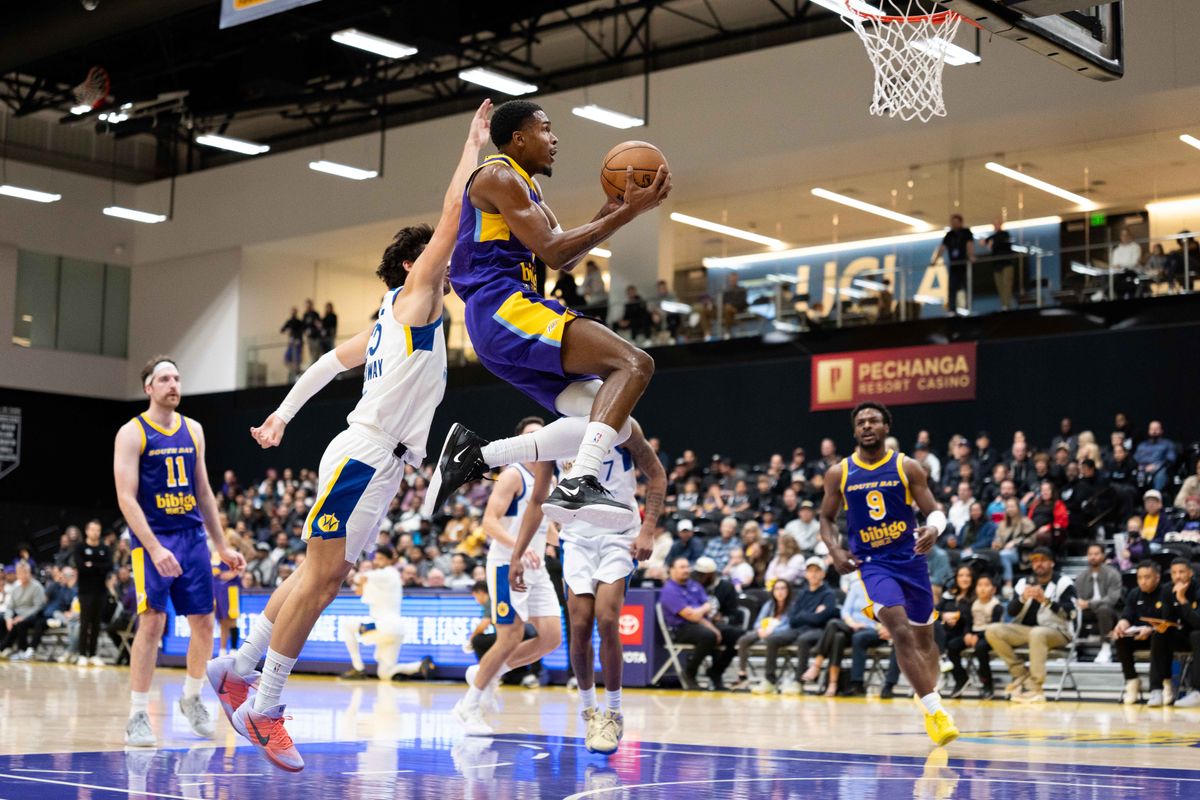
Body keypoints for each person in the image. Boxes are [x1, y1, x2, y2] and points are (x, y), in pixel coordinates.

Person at [205, 102, 492, 772]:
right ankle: (264, 706)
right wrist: (470, 145)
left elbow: (328, 363)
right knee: (324, 576)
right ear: (411, 267)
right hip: (365, 455)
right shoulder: (416, 299)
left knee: (317, 575)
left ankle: (236, 667)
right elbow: (453, 212)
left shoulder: (391, 319)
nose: (445, 263)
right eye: (433, 258)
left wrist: (282, 413)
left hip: (377, 465)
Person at [426, 98, 672, 529]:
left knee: (610, 418)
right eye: (545, 129)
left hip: (500, 324)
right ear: (518, 138)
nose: (554, 138)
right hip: (505, 310)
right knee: (635, 363)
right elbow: (555, 252)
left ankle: (477, 454)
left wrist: (612, 211)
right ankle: (581, 480)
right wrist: (630, 213)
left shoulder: (527, 188)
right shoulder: (498, 175)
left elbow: (566, 254)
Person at [113, 355, 244, 748]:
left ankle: (191, 699)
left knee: (204, 622)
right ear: (149, 388)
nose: (173, 384)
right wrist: (153, 548)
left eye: (177, 378)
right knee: (151, 623)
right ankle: (137, 714)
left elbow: (203, 492)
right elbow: (125, 496)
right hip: (153, 538)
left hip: (191, 538)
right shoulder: (132, 432)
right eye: (164, 379)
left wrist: (221, 545)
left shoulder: (195, 430)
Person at [819, 401, 959, 746]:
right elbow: (825, 518)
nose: (867, 426)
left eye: (874, 421)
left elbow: (934, 511)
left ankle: (926, 694)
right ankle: (936, 711)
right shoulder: (840, 472)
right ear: (855, 431)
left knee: (925, 640)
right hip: (873, 564)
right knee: (899, 629)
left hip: (911, 560)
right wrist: (834, 549)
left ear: (886, 428)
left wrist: (934, 529)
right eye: (861, 422)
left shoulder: (906, 467)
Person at [453, 416, 561, 736]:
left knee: (551, 637)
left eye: (542, 435)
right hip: (506, 563)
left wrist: (556, 541)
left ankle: (488, 672)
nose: (537, 439)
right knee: (510, 636)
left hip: (536, 566)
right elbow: (489, 522)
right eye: (530, 435)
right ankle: (469, 705)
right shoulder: (513, 475)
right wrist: (520, 545)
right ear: (520, 442)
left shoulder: (549, 480)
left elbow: (547, 524)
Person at [561, 419, 663, 753]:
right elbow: (538, 496)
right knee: (578, 626)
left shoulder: (628, 428)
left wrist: (648, 531)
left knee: (606, 619)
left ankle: (614, 712)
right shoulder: (562, 432)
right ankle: (589, 711)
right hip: (577, 539)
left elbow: (658, 475)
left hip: (619, 537)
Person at [984, 546, 1076, 704]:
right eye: (1035, 561)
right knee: (992, 630)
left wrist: (1046, 601)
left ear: (1052, 563)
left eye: (1043, 560)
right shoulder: (1023, 583)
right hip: (1028, 630)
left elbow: (1070, 614)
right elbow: (1011, 612)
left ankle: (1035, 688)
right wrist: (1021, 599)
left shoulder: (1063, 582)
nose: (1038, 564)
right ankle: (1020, 673)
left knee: (1038, 633)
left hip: (1058, 631)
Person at [340, 545, 434, 682]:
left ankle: (358, 668)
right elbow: (359, 589)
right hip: (394, 631)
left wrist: (356, 579)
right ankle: (420, 665)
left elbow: (359, 578)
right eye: (376, 558)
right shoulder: (378, 579)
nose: (377, 561)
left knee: (347, 625)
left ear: (390, 560)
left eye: (381, 558)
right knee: (385, 673)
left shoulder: (389, 573)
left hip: (385, 626)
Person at [659, 557, 739, 690]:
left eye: (687, 567)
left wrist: (702, 613)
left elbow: (708, 605)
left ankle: (716, 672)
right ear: (671, 570)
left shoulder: (694, 585)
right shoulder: (669, 590)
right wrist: (708, 620)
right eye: (682, 567)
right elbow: (692, 616)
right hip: (682, 629)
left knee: (736, 634)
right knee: (708, 635)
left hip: (704, 623)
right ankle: (690, 672)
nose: (686, 570)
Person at [1112, 560, 1175, 705]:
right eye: (1140, 578)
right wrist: (1121, 625)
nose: (1143, 581)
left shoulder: (1166, 592)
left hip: (1160, 635)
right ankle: (1132, 680)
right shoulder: (1134, 593)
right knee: (1120, 638)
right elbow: (1127, 616)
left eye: (1147, 577)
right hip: (1139, 635)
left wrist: (1152, 629)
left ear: (1157, 577)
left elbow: (1168, 620)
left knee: (1160, 637)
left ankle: (1165, 683)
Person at [731, 579, 793, 691]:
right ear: (773, 591)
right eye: (777, 589)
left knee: (771, 639)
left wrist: (773, 630)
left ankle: (769, 679)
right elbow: (758, 622)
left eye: (783, 588)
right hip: (764, 631)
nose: (780, 592)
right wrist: (760, 629)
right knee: (743, 640)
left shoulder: (792, 606)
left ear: (788, 591)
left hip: (780, 634)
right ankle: (742, 675)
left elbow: (790, 625)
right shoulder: (769, 605)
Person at [1074, 542, 1122, 663]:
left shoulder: (1113, 574)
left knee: (1103, 609)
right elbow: (1077, 599)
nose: (1093, 557)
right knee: (1070, 611)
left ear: (1103, 556)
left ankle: (1106, 648)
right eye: (1090, 554)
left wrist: (1089, 604)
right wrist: (1080, 603)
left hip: (1111, 611)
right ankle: (1071, 647)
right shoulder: (1081, 577)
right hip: (1088, 612)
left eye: (1096, 554)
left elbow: (1112, 599)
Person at [74, 519, 112, 666]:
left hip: (101, 591)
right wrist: (98, 567)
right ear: (87, 531)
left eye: (98, 530)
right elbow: (81, 567)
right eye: (93, 529)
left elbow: (109, 566)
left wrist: (92, 565)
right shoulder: (80, 547)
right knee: (85, 623)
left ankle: (93, 653)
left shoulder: (105, 548)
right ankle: (82, 654)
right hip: (85, 591)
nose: (95, 532)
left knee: (96, 623)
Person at [1167, 558, 1200, 707]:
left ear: (1190, 573)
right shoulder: (1167, 589)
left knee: (1196, 635)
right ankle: (1160, 688)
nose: (1177, 576)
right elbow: (1165, 619)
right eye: (1174, 573)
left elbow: (1198, 623)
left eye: (1181, 572)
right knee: (1160, 635)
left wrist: (1182, 599)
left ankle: (1197, 691)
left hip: (1196, 635)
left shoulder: (1198, 589)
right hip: (1182, 635)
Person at [1, 561, 46, 660]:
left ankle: (21, 650)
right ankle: (6, 647)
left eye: (25, 572)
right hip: (17, 615)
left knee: (21, 623)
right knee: (6, 619)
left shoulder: (36, 586)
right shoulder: (15, 587)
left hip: (33, 616)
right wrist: (8, 618)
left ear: (29, 572)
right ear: (17, 574)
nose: (23, 575)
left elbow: (38, 606)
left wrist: (23, 617)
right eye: (20, 572)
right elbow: (10, 607)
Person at [930, 213, 975, 314]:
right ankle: (952, 309)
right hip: (954, 265)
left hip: (963, 264)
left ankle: (969, 306)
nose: (954, 224)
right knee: (952, 287)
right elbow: (942, 248)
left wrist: (971, 255)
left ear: (960, 222)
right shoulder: (949, 234)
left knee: (966, 286)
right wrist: (935, 260)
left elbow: (969, 245)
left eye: (955, 222)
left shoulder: (966, 232)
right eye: (952, 222)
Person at [982, 218, 1016, 310]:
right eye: (994, 224)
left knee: (1007, 285)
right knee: (1000, 287)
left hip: (1006, 264)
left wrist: (989, 241)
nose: (996, 225)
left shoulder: (1005, 234)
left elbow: (996, 239)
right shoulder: (992, 237)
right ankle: (1004, 305)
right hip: (997, 266)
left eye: (997, 223)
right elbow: (986, 242)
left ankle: (1006, 305)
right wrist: (988, 241)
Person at [1134, 421, 1176, 493]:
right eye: (1152, 429)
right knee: (1133, 475)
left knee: (1161, 474)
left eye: (1156, 429)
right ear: (1148, 431)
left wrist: (1156, 466)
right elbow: (1135, 459)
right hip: (1142, 469)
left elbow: (1170, 459)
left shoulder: (1168, 444)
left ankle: (1156, 497)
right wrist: (1142, 467)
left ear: (1161, 431)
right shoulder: (1142, 445)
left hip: (1159, 470)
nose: (1154, 431)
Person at [280, 308, 304, 382]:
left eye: (294, 311)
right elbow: (282, 330)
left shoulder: (299, 322)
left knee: (297, 360)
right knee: (286, 360)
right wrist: (288, 331)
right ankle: (293, 372)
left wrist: (298, 339)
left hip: (297, 343)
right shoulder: (289, 321)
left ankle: (297, 374)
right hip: (291, 343)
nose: (293, 313)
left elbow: (301, 331)